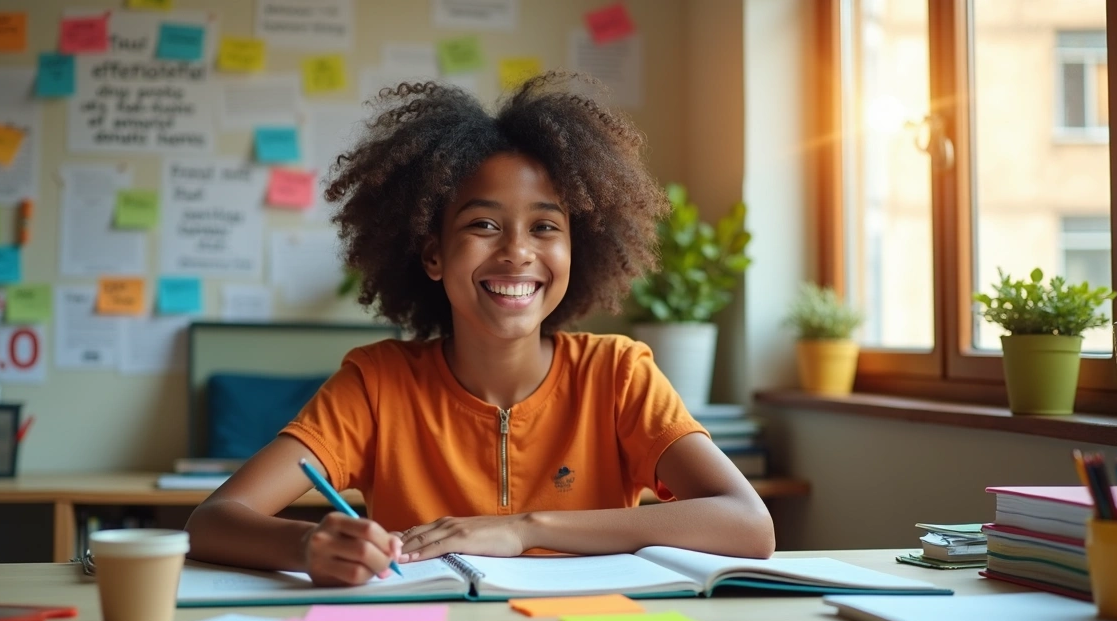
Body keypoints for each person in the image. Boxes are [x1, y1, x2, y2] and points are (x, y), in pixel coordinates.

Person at [185, 71, 775, 587]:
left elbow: (747, 524)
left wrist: (523, 529)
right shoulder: (376, 384)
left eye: (545, 227)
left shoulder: (617, 373)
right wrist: (307, 546)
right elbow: (212, 520)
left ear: (578, 250)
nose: (518, 252)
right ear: (433, 255)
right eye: (484, 225)